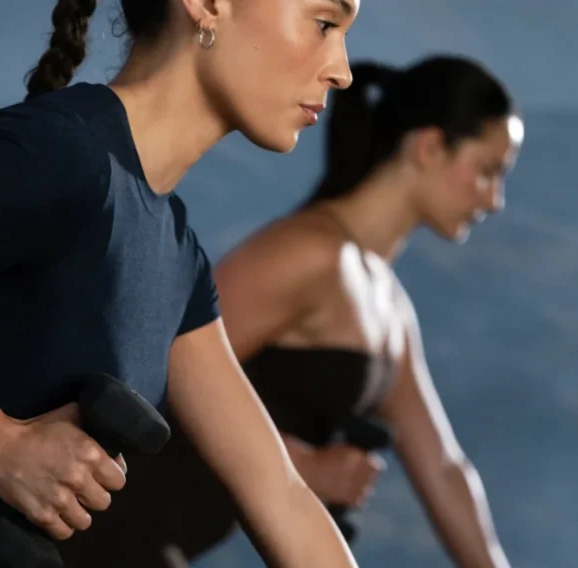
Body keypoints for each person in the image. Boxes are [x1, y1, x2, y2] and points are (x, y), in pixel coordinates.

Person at [0, 0, 363, 567]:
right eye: (324, 24)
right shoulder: (61, 154)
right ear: (208, 5)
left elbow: (281, 497)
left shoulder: (176, 255)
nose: (342, 68)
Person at [57, 55, 524, 568]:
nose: (496, 199)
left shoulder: (390, 308)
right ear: (428, 147)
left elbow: (444, 467)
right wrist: (298, 461)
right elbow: (153, 365)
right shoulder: (311, 253)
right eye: (487, 171)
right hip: (100, 537)